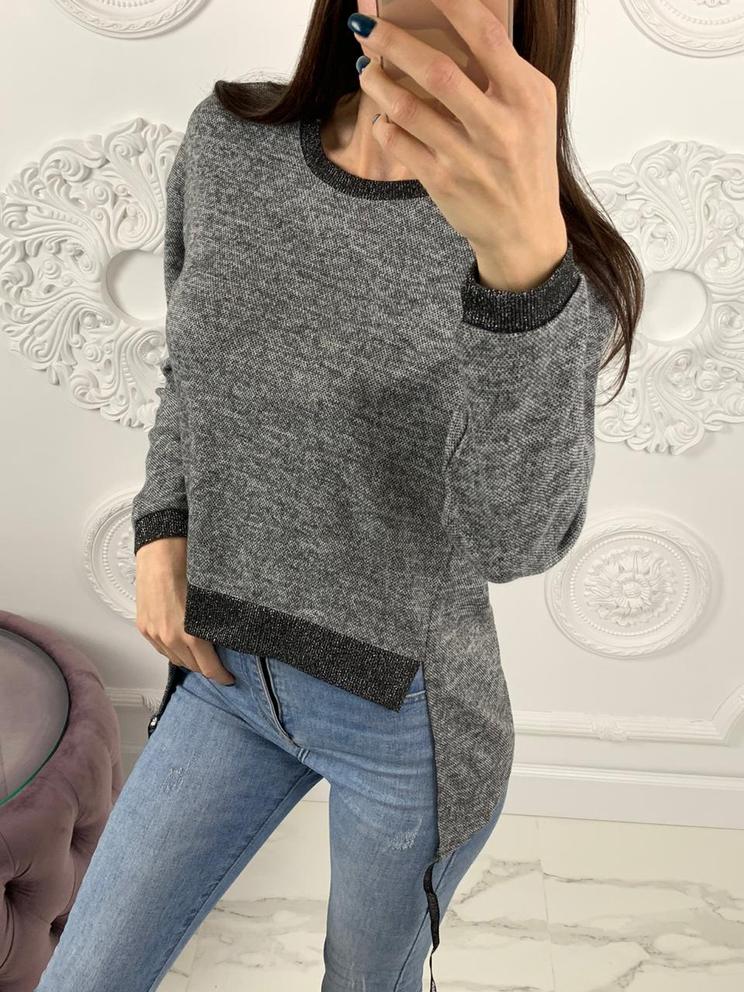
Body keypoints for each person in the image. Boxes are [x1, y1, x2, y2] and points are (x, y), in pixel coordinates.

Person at [34, 1, 642, 990]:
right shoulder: (230, 145)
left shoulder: (554, 260)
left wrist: (521, 275)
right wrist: (161, 525)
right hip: (226, 675)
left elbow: (515, 538)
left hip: (406, 723)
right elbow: (196, 366)